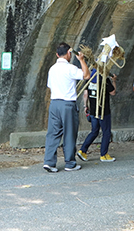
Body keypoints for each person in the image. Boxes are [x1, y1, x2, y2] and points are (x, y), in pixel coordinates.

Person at [43, 42, 90, 172]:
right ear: (69, 53)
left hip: (54, 103)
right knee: (69, 133)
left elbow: (50, 86)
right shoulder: (70, 68)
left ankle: (49, 162)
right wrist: (82, 60)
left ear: (57, 54)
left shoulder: (52, 69)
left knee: (53, 133)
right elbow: (86, 75)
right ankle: (70, 163)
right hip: (67, 104)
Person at [77, 69, 117, 163]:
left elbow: (85, 94)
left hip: (93, 111)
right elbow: (113, 92)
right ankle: (103, 155)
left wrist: (85, 106)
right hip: (104, 111)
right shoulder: (105, 80)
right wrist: (114, 81)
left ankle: (82, 150)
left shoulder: (89, 79)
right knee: (106, 132)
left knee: (94, 131)